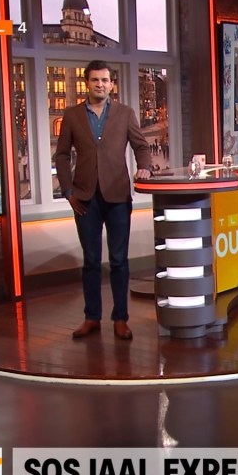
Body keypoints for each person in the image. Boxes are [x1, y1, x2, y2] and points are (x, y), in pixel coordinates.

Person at [54, 60, 152, 340]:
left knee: (119, 260)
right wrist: (68, 191)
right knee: (91, 261)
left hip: (117, 196)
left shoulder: (125, 113)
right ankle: (92, 317)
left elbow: (141, 146)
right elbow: (62, 155)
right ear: (87, 83)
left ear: (111, 84)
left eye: (105, 80)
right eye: (95, 80)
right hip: (84, 198)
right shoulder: (72, 115)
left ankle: (120, 319)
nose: (100, 84)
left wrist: (144, 167)